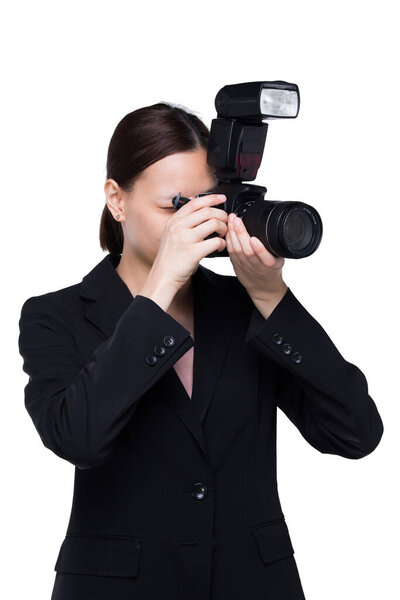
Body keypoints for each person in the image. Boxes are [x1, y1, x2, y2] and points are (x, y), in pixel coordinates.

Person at [18, 102, 384, 600]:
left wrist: (272, 297)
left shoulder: (242, 307)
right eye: (175, 205)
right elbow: (77, 437)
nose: (195, 221)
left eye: (207, 202)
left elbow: (356, 432)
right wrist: (160, 287)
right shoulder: (54, 316)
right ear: (116, 200)